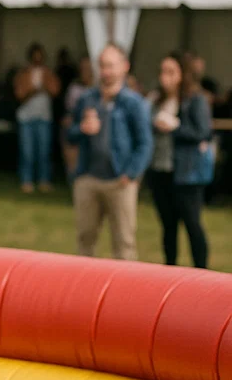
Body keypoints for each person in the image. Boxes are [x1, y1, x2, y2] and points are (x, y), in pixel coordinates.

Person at [67, 43, 152, 260]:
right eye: (102, 66)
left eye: (111, 66)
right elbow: (70, 134)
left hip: (119, 181)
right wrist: (82, 129)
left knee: (124, 243)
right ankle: (84, 289)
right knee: (85, 240)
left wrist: (131, 174)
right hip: (88, 178)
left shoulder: (134, 103)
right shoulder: (88, 99)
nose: (106, 71)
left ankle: (126, 292)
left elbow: (145, 143)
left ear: (124, 67)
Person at [146, 54, 212, 269]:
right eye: (162, 71)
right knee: (168, 225)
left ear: (182, 74)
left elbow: (203, 132)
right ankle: (170, 270)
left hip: (186, 173)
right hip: (160, 170)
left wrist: (175, 127)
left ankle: (201, 272)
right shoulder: (156, 100)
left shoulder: (195, 99)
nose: (165, 77)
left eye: (171, 72)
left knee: (192, 224)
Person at [13, 43, 60, 192]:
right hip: (26, 118)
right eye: (35, 56)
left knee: (44, 151)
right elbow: (19, 94)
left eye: (40, 56)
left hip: (44, 117)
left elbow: (55, 90)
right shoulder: (23, 73)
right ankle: (26, 180)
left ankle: (44, 180)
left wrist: (44, 83)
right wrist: (33, 91)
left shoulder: (48, 73)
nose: (38, 59)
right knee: (27, 151)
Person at [61, 55, 93, 181]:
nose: (85, 71)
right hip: (78, 124)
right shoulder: (74, 87)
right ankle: (74, 179)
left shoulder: (99, 89)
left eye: (88, 68)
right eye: (83, 68)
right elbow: (69, 109)